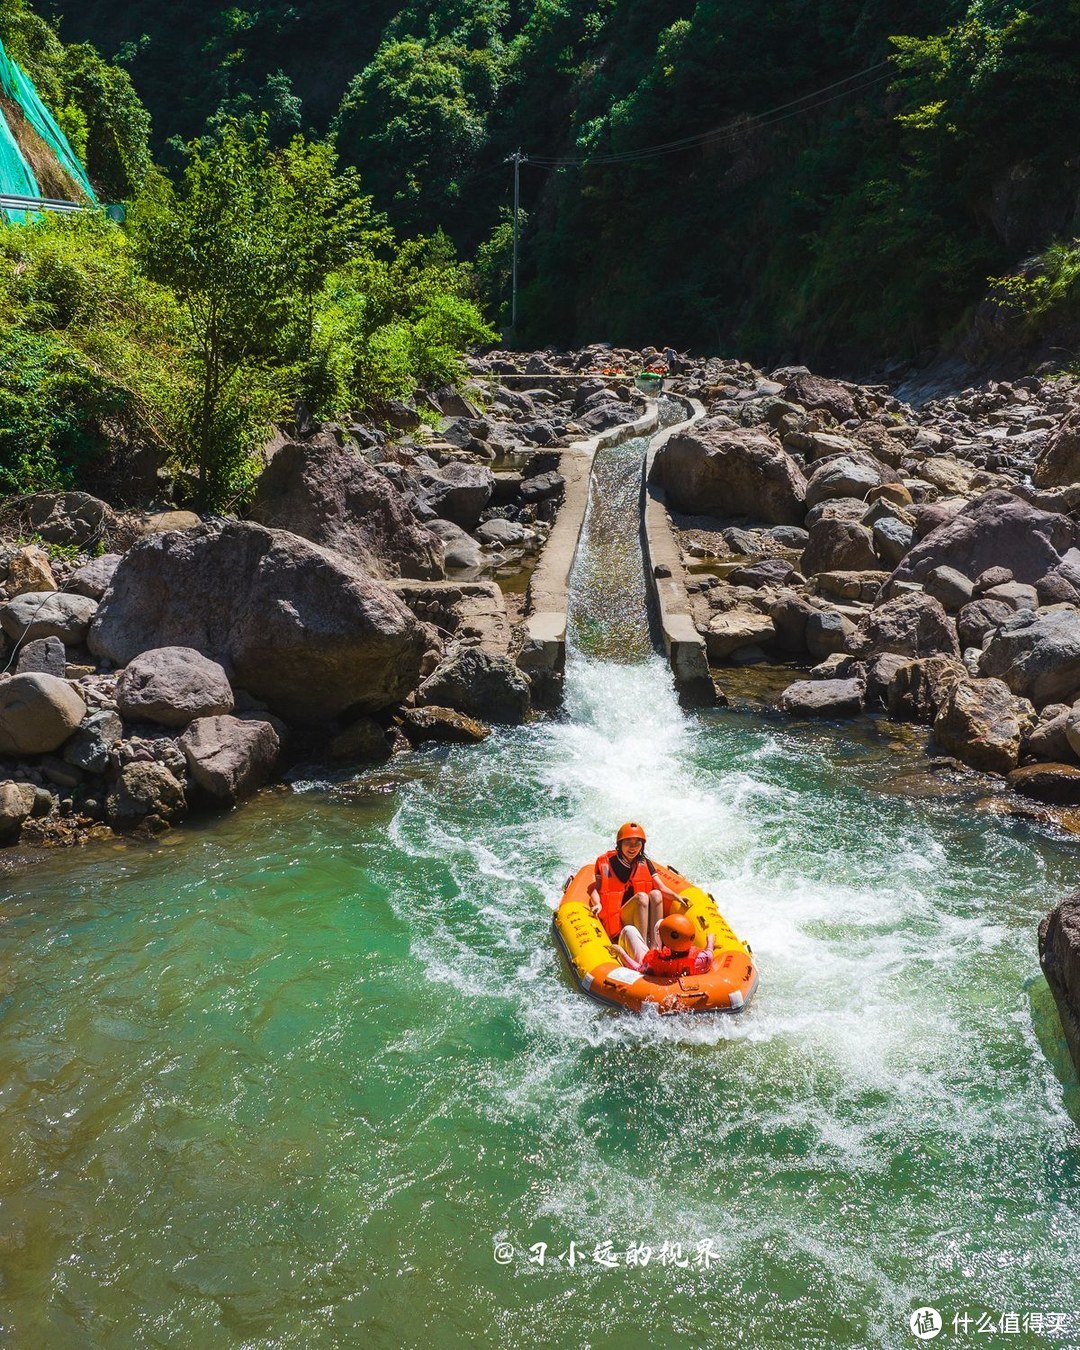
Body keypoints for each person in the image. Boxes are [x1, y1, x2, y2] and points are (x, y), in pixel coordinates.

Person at [587, 822, 682, 948]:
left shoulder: (646, 863)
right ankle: (641, 948)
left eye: (637, 843)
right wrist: (597, 904)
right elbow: (596, 888)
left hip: (641, 917)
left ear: (642, 845)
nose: (633, 848)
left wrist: (677, 897)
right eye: (628, 843)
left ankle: (655, 946)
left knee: (656, 894)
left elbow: (661, 887)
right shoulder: (605, 862)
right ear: (619, 844)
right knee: (642, 897)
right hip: (619, 918)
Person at [620, 913, 715, 977]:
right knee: (659, 923)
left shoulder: (652, 964)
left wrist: (621, 953)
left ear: (665, 944)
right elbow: (709, 954)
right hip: (678, 968)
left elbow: (637, 969)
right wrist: (710, 941)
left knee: (628, 930)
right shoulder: (701, 960)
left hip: (655, 967)